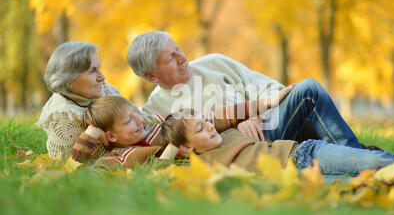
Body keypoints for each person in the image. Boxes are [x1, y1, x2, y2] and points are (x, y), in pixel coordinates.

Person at [126, 31, 380, 151]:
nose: (182, 57)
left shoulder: (214, 62)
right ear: (151, 75)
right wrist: (235, 125)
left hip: (269, 125)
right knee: (313, 105)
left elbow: (275, 89)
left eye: (178, 48)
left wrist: (254, 114)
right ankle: (360, 156)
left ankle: (356, 156)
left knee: (307, 89)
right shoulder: (155, 111)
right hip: (246, 148)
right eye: (170, 58)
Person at [157, 109, 394, 183]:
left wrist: (254, 116)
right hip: (301, 180)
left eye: (206, 121)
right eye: (200, 128)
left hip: (305, 154)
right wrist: (175, 145)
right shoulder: (198, 164)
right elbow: (159, 166)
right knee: (368, 182)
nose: (209, 126)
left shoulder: (228, 132)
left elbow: (237, 111)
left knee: (375, 163)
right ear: (185, 148)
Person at [70, 86, 293, 168]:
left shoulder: (158, 127)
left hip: (232, 151)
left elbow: (213, 118)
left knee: (304, 93)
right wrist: (90, 135)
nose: (139, 121)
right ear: (110, 136)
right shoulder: (118, 158)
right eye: (129, 121)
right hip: (213, 169)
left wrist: (264, 104)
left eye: (135, 114)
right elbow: (77, 169)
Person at [37, 41, 122, 159]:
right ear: (69, 81)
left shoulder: (106, 91)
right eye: (92, 71)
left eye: (99, 68)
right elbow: (69, 169)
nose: (102, 77)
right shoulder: (62, 117)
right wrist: (90, 136)